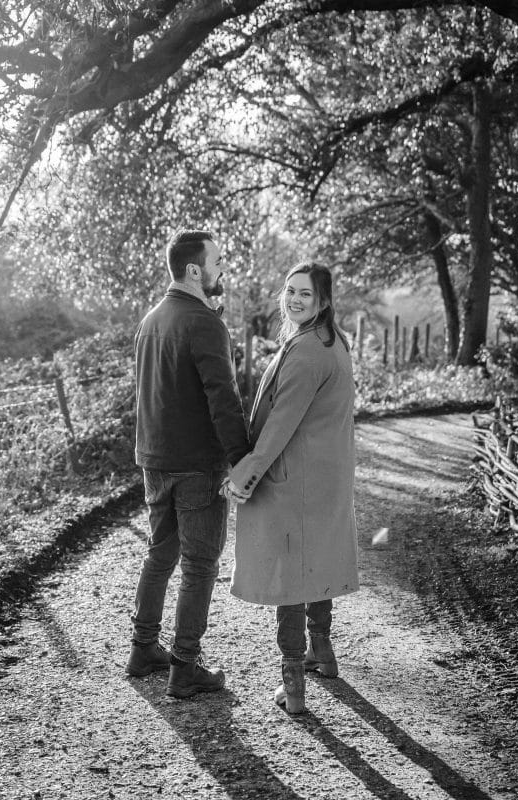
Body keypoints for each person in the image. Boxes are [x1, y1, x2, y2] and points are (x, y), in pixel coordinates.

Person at [223, 262, 358, 714]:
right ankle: (323, 652)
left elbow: (281, 425)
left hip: (296, 479)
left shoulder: (306, 352)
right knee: (316, 558)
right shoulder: (332, 342)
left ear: (323, 301)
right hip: (323, 478)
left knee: (290, 575)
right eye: (290, 290)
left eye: (306, 293)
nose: (294, 299)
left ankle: (293, 683)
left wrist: (244, 475)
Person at [127, 229, 251, 700]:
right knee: (200, 563)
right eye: (217, 261)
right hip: (197, 463)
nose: (221, 270)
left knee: (161, 553)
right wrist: (241, 462)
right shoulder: (203, 321)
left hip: (154, 460)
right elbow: (224, 398)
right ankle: (185, 664)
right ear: (195, 270)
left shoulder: (151, 319)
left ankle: (143, 650)